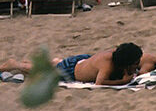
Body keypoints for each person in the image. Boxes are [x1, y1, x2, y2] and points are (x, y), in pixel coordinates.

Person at [2, 43, 143, 86]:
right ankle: (15, 64)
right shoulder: (108, 65)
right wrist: (122, 81)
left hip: (83, 61)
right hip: (70, 71)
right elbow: (99, 84)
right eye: (135, 64)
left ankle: (48, 62)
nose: (136, 66)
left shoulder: (117, 55)